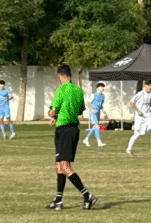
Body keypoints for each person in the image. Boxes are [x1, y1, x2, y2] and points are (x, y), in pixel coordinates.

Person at [45, 65, 97, 210]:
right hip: (74, 129)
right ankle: (58, 200)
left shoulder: (60, 90)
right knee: (58, 166)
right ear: (70, 75)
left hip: (63, 130)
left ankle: (86, 195)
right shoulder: (78, 90)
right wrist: (59, 115)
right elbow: (80, 110)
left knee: (65, 166)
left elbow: (52, 111)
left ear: (59, 75)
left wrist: (52, 114)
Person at [126, 80, 151, 156]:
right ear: (145, 85)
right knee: (138, 134)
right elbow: (131, 102)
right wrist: (138, 111)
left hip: (148, 116)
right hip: (140, 117)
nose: (150, 88)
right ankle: (128, 148)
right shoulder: (140, 94)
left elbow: (150, 104)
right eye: (149, 86)